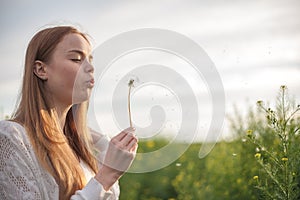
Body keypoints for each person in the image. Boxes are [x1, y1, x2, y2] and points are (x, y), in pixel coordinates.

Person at [0, 25, 138, 200]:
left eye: (90, 60)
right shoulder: (11, 137)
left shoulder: (77, 148)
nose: (90, 68)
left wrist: (102, 144)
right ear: (41, 70)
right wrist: (108, 175)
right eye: (76, 59)